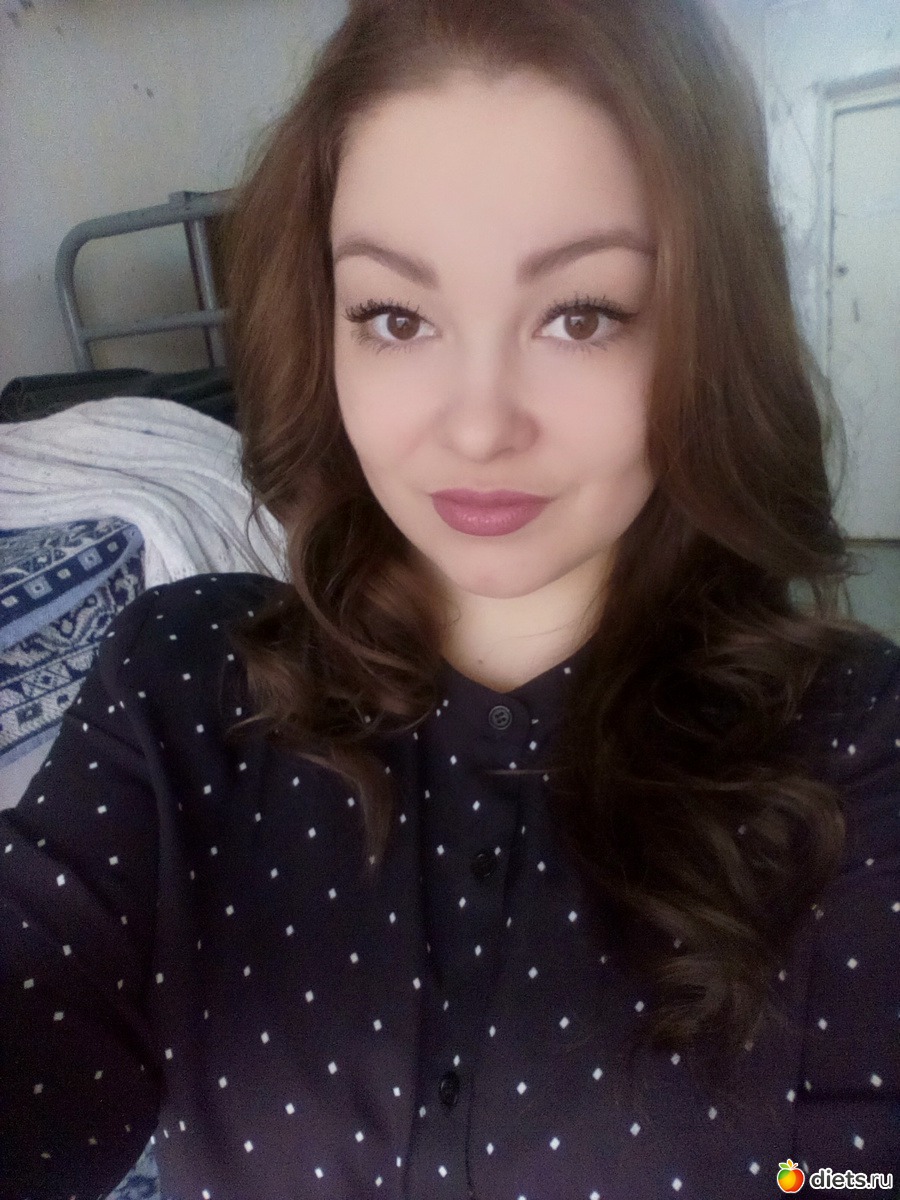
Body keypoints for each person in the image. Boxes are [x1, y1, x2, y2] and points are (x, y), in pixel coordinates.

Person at [2, 0, 898, 1196]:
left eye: (582, 314)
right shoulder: (178, 683)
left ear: (707, 335)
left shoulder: (854, 745)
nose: (478, 426)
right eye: (396, 316)